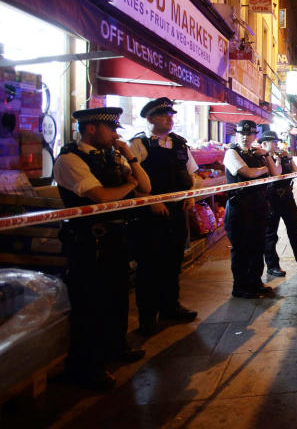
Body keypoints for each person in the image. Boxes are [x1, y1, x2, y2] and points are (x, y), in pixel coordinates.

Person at [53, 107, 151, 390]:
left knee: (117, 297)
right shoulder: (71, 159)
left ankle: (115, 348)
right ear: (91, 129)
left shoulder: (111, 155)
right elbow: (100, 197)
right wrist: (127, 186)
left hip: (115, 237)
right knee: (90, 304)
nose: (116, 134)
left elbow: (144, 186)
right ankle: (85, 368)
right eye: (111, 129)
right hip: (87, 242)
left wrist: (130, 158)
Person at [129, 98, 200, 336]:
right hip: (151, 217)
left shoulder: (179, 144)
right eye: (163, 115)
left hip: (178, 213)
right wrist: (152, 202)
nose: (170, 119)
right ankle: (147, 319)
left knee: (173, 262)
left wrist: (190, 196)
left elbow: (192, 174)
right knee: (150, 267)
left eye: (171, 115)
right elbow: (130, 181)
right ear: (150, 119)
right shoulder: (138, 144)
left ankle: (171, 306)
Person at [223, 120, 280, 298]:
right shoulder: (231, 153)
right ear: (236, 134)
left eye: (249, 134)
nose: (245, 137)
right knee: (241, 249)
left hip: (258, 206)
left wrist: (266, 155)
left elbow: (276, 173)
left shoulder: (257, 153)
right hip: (239, 207)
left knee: (257, 246)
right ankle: (240, 286)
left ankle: (255, 282)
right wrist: (264, 168)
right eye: (242, 133)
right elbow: (248, 173)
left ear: (255, 136)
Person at [259, 130, 297, 276]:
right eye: (273, 142)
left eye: (276, 142)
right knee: (270, 234)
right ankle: (272, 265)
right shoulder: (261, 158)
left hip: (287, 197)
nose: (276, 144)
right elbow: (274, 175)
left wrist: (289, 158)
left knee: (295, 230)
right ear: (264, 144)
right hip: (270, 199)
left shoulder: (281, 156)